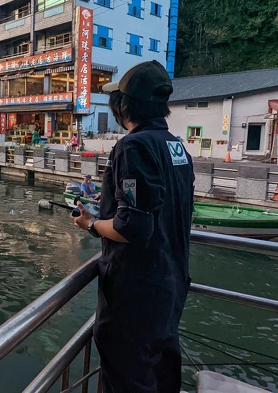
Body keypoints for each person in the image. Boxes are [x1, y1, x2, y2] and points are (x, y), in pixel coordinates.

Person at [71, 61, 194, 393]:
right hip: (170, 283)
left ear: (124, 105)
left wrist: (91, 223)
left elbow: (131, 226)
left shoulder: (133, 146)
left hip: (136, 293)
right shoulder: (175, 146)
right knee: (161, 372)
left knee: (127, 377)